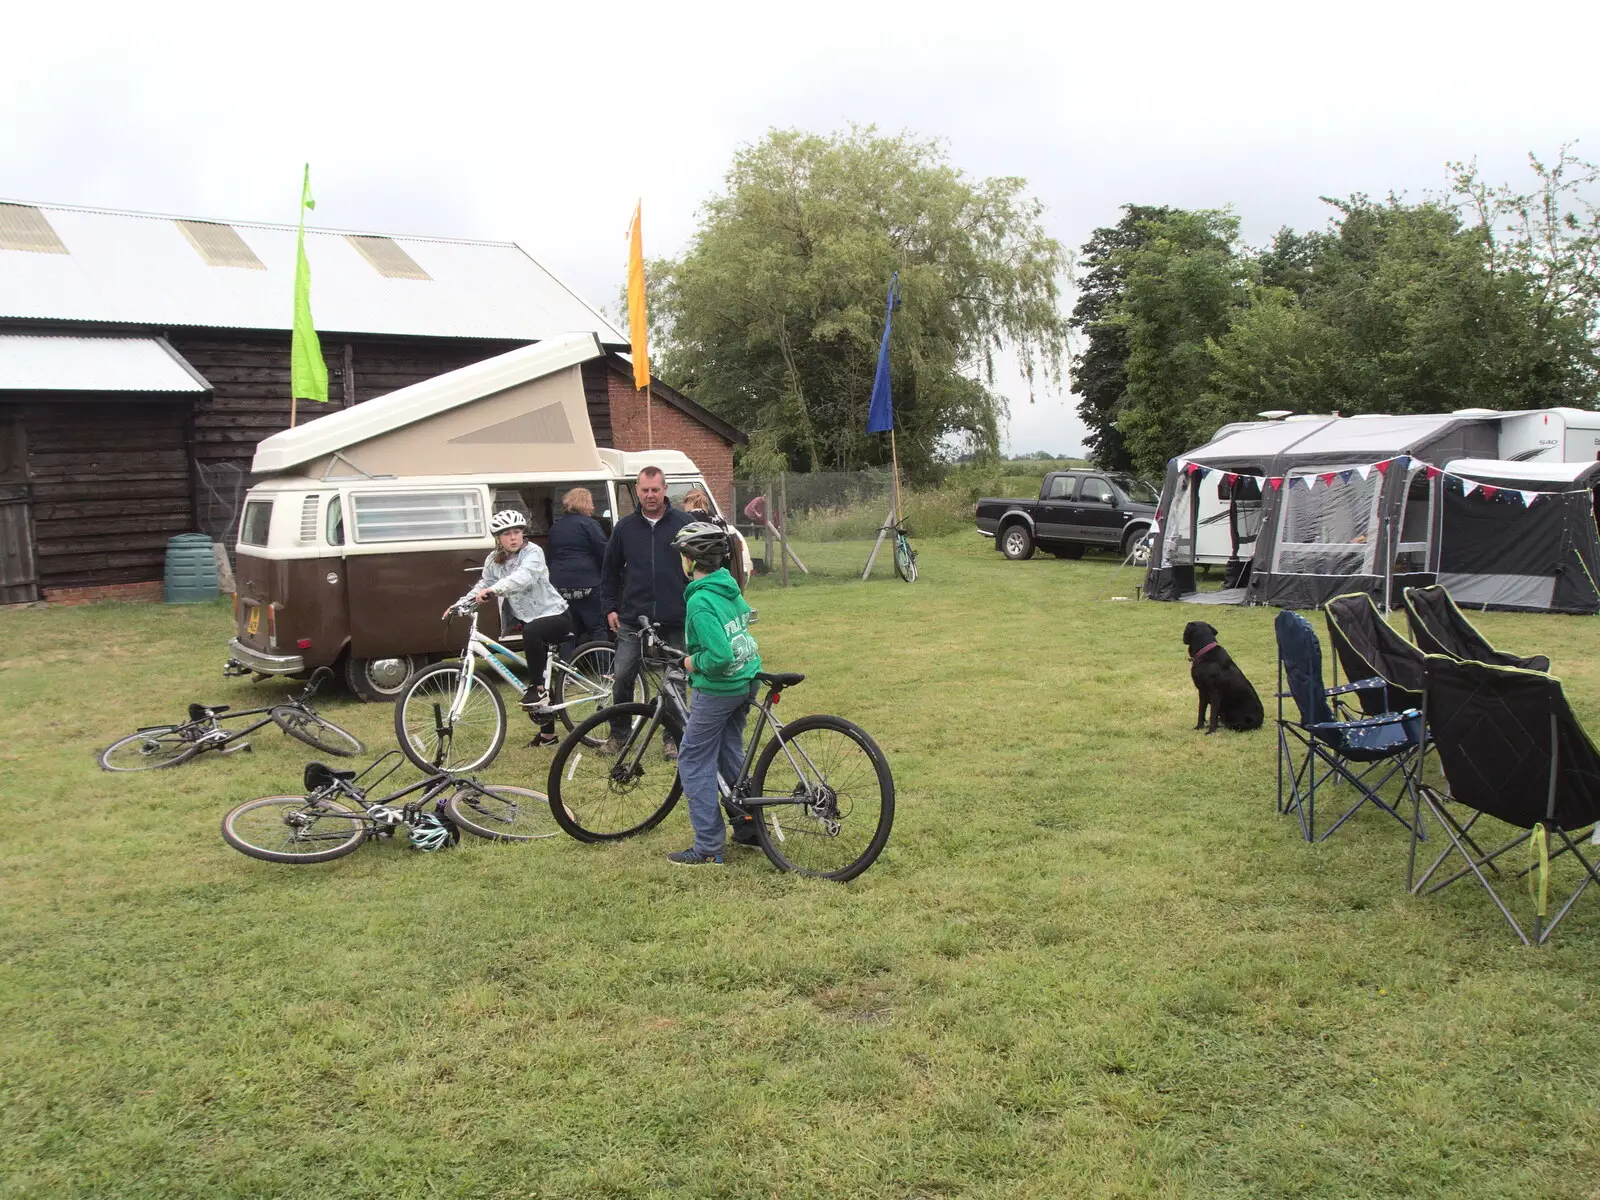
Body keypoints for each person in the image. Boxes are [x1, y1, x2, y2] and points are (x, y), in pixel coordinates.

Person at [665, 520, 763, 865]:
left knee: (692, 759)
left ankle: (707, 847)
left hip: (720, 687)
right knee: (729, 750)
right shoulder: (729, 588)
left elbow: (718, 656)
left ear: (690, 560)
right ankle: (750, 827)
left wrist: (692, 661)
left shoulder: (700, 601)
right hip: (746, 680)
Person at [449, 509, 573, 747]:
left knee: (533, 633)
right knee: (542, 665)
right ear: (498, 538)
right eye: (507, 534)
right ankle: (548, 735)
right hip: (531, 622)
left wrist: (495, 590)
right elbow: (483, 584)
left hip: (556, 616)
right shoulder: (493, 560)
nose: (513, 537)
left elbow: (523, 577)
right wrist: (459, 605)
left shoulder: (533, 553)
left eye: (517, 532)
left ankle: (537, 689)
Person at [599, 467, 693, 755]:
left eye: (655, 489)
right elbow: (610, 571)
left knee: (675, 680)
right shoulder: (625, 528)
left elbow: (702, 566)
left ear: (665, 489)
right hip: (633, 618)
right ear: (637, 491)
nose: (650, 495)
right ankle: (619, 735)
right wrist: (610, 608)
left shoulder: (684, 523)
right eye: (644, 490)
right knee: (623, 675)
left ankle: (672, 738)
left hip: (675, 615)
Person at [546, 486, 610, 658]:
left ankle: (565, 673)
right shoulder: (590, 525)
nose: (593, 507)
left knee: (569, 631)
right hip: (587, 583)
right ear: (584, 504)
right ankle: (605, 670)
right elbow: (604, 552)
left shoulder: (556, 527)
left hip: (561, 585)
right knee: (597, 629)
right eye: (591, 503)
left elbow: (549, 556)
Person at [680, 486, 752, 591]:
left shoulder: (687, 520)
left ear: (688, 502)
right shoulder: (718, 519)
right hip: (721, 573)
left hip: (698, 574)